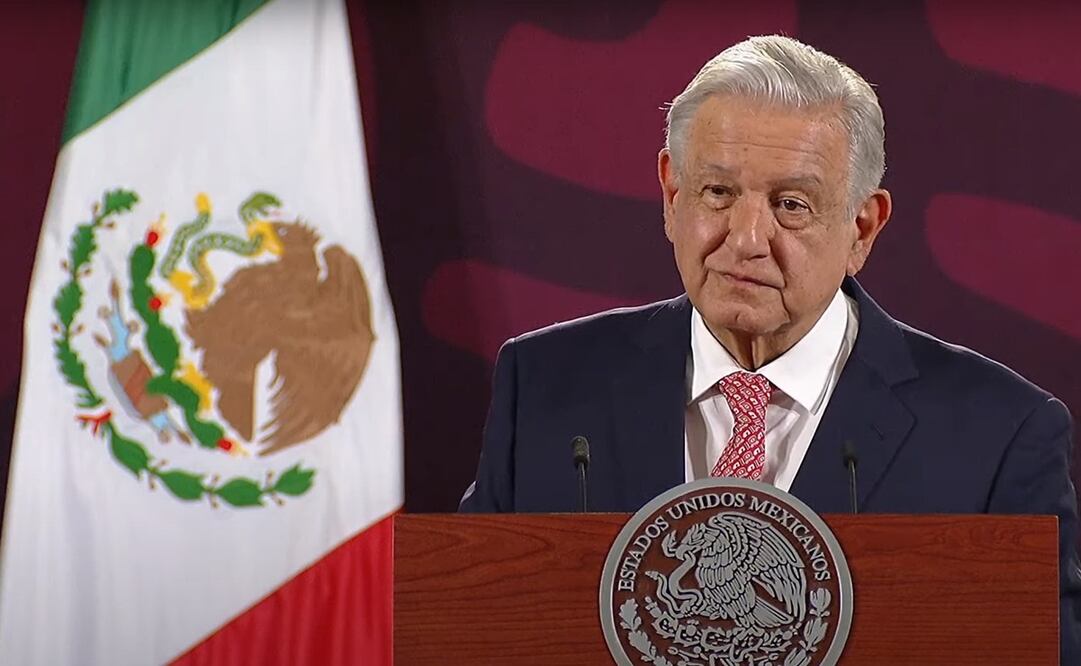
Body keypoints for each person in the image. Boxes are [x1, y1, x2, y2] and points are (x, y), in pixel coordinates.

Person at [458, 35, 1080, 659]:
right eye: (719, 193)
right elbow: (472, 630)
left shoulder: (999, 436)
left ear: (863, 227)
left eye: (790, 205)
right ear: (673, 195)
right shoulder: (543, 386)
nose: (747, 239)